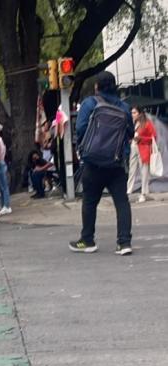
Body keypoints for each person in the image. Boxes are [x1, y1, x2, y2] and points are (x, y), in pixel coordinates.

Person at [70, 71, 134, 256]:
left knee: (89, 202)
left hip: (93, 162)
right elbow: (130, 133)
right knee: (122, 203)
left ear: (97, 86)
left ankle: (87, 240)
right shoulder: (124, 107)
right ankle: (124, 243)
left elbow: (81, 129)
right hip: (116, 163)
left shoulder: (90, 103)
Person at [130, 106, 157, 202]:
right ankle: (129, 192)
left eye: (134, 113)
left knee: (144, 172)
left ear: (140, 113)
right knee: (132, 170)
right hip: (134, 147)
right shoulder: (133, 123)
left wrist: (141, 138)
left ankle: (143, 194)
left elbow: (154, 137)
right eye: (132, 112)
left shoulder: (147, 123)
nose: (132, 115)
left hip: (144, 148)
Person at [0, 123, 12, 215]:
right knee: (1, 186)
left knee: (4, 186)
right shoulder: (1, 140)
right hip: (0, 162)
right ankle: (3, 204)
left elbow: (0, 153)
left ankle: (7, 205)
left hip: (0, 163)